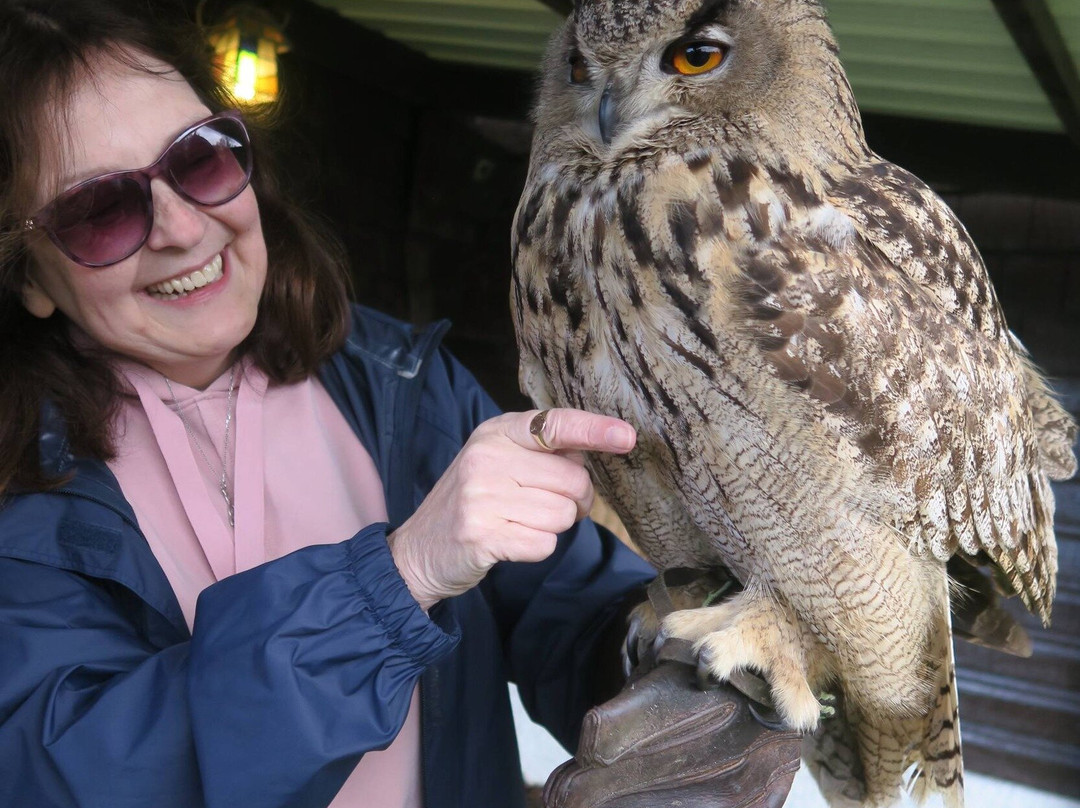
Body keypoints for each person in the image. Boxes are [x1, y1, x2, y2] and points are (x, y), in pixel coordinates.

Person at [0, 2, 799, 807]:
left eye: (199, 159)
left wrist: (680, 655)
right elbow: (79, 778)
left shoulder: (399, 382)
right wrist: (400, 576)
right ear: (28, 275)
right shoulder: (17, 496)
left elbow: (566, 611)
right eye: (99, 210)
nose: (179, 227)